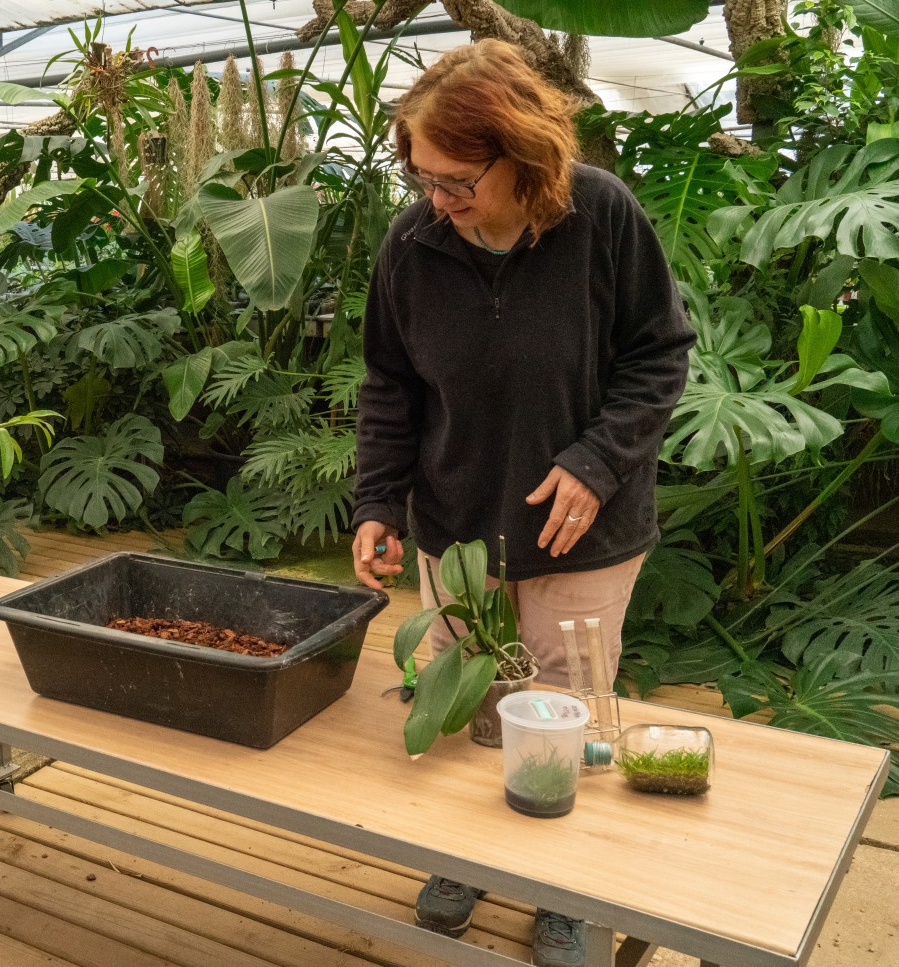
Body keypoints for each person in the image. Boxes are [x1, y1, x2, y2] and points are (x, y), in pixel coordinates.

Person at [350, 39, 695, 967]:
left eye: (458, 180)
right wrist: (377, 499)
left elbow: (660, 353)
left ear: (524, 156)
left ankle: (561, 891)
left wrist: (596, 460)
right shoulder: (413, 241)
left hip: (580, 529)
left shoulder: (600, 216)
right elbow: (389, 382)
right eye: (419, 175)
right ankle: (467, 857)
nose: (437, 199)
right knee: (472, 700)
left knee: (564, 712)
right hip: (456, 518)